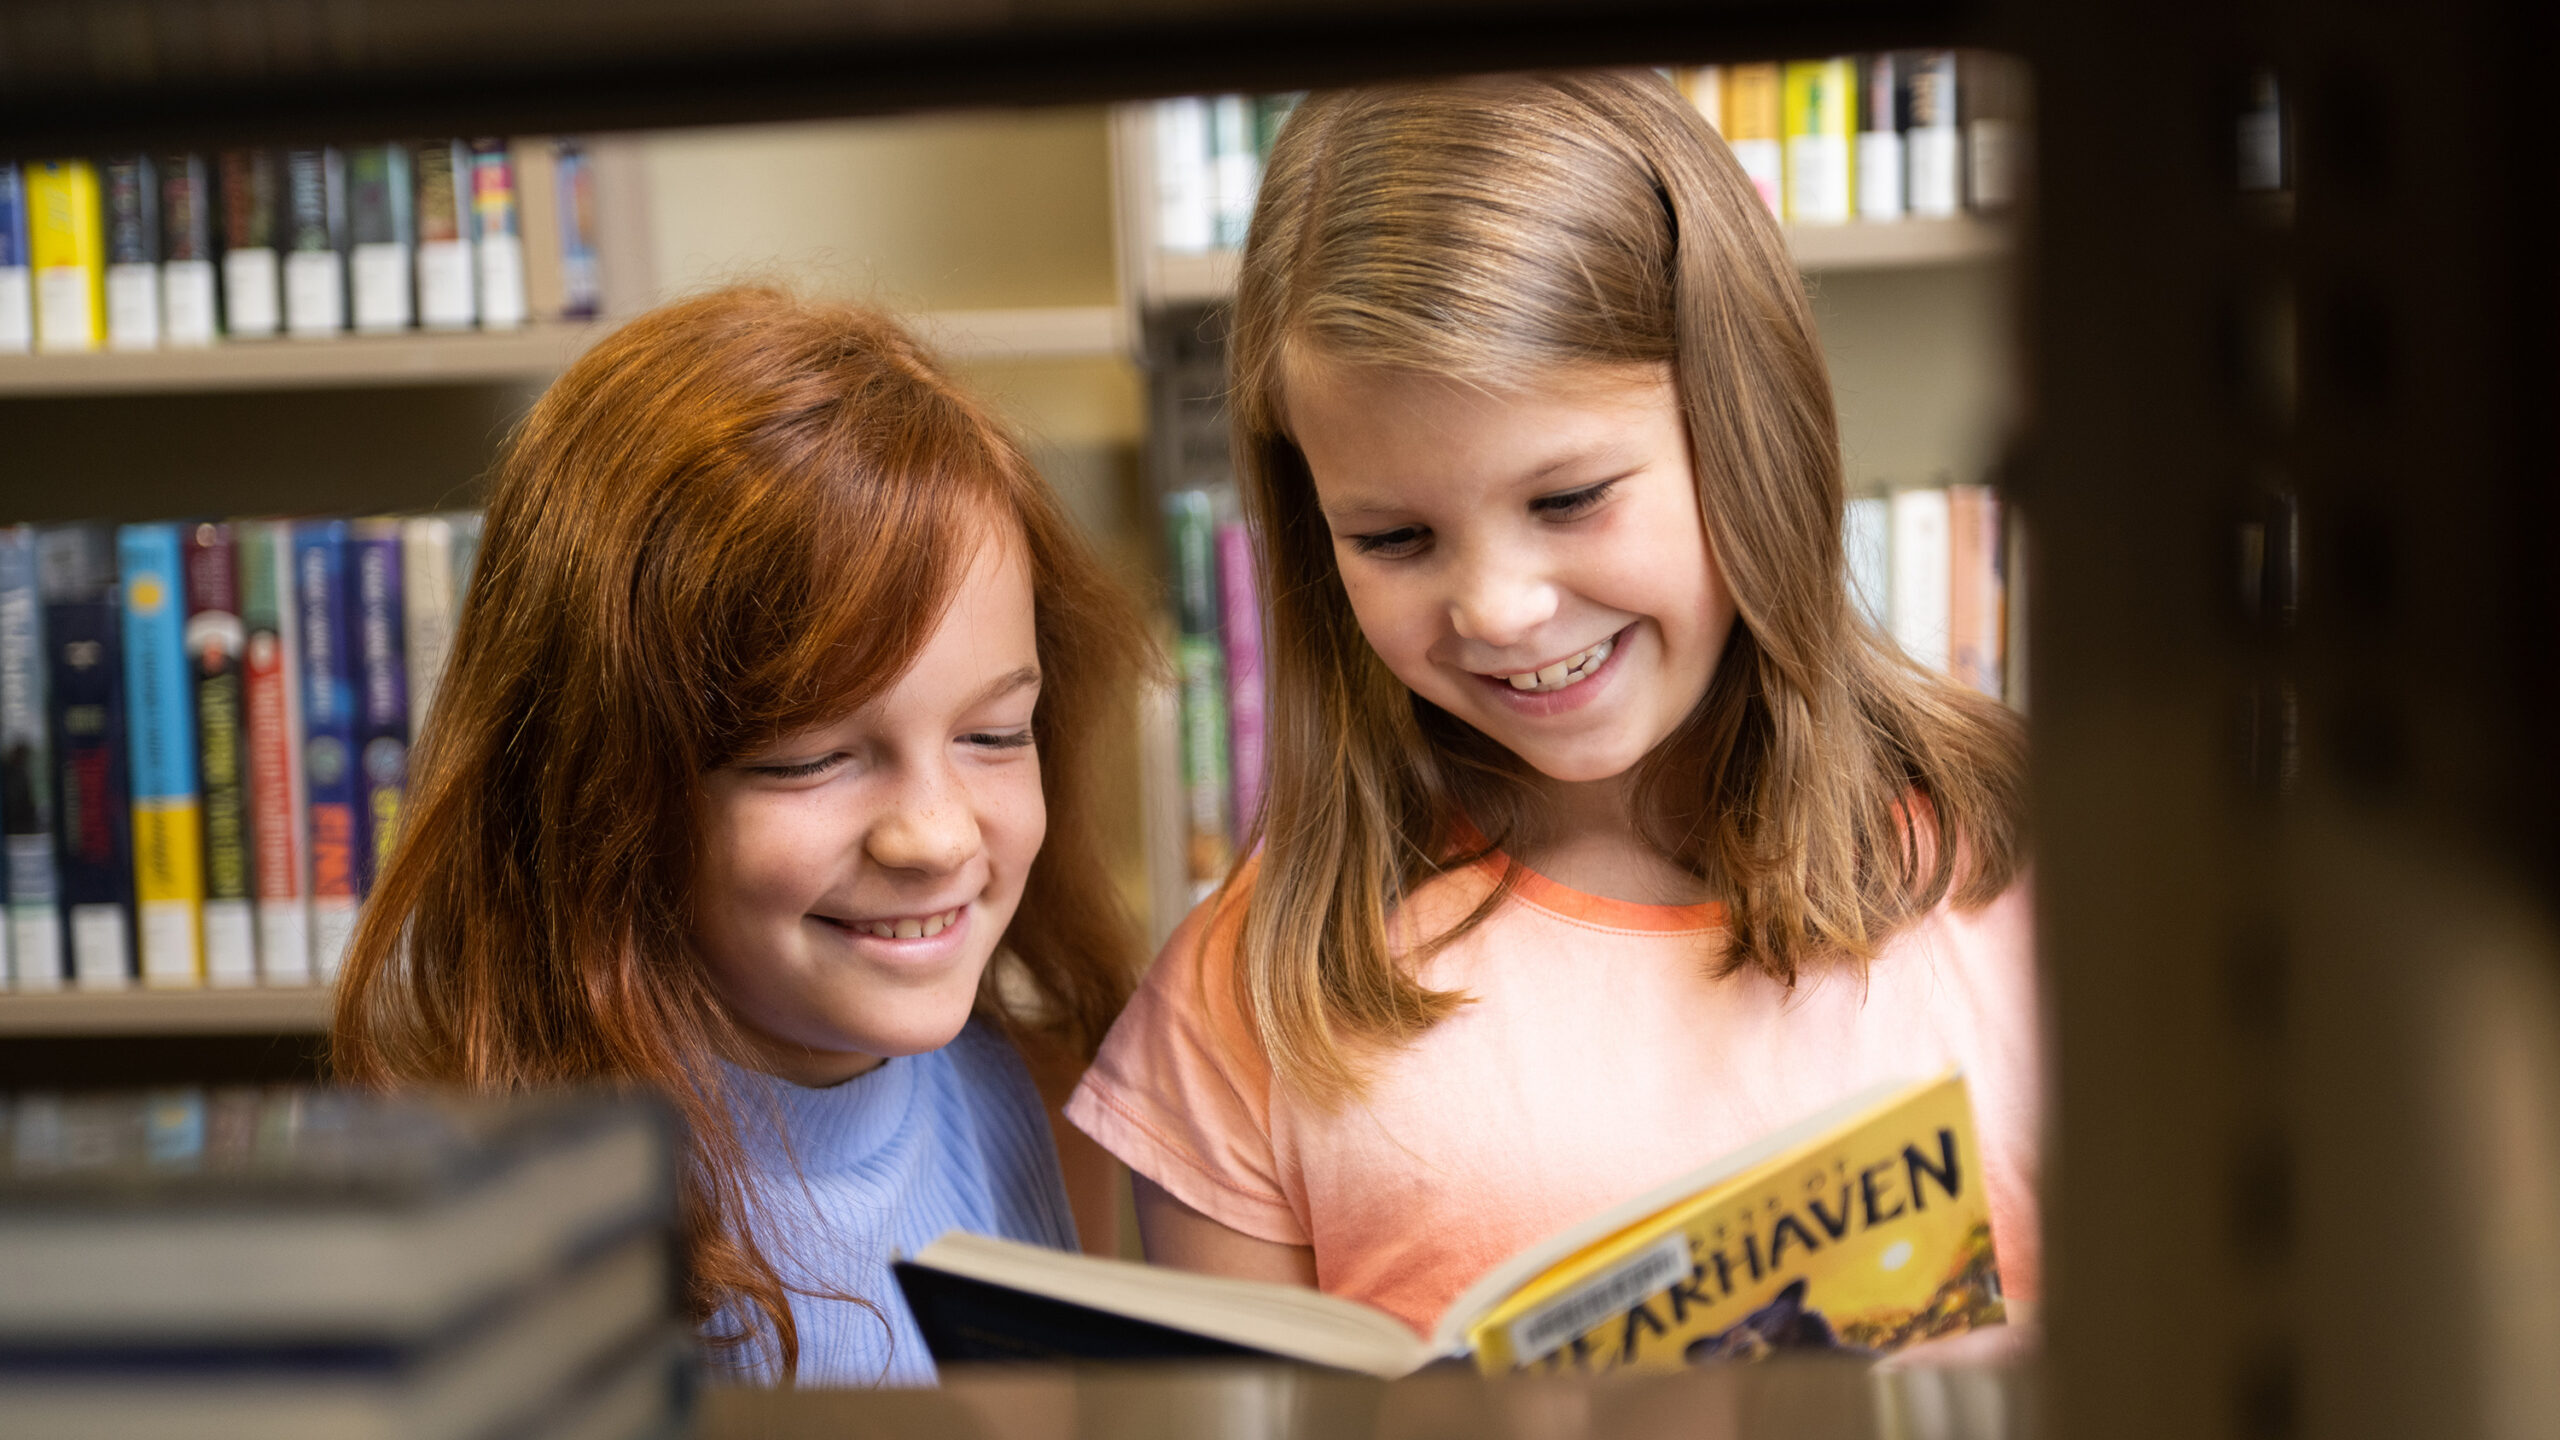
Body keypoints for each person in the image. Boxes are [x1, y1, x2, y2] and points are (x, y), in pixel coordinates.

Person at [1065, 71, 2041, 1343]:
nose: (1500, 609)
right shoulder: (1253, 999)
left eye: (1570, 499)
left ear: (1748, 434)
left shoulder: (2023, 863)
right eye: (1396, 536)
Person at [333, 287, 1150, 1385]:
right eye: (810, 757)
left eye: (994, 734)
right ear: (600, 793)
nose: (933, 834)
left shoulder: (1044, 1108)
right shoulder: (501, 1231)